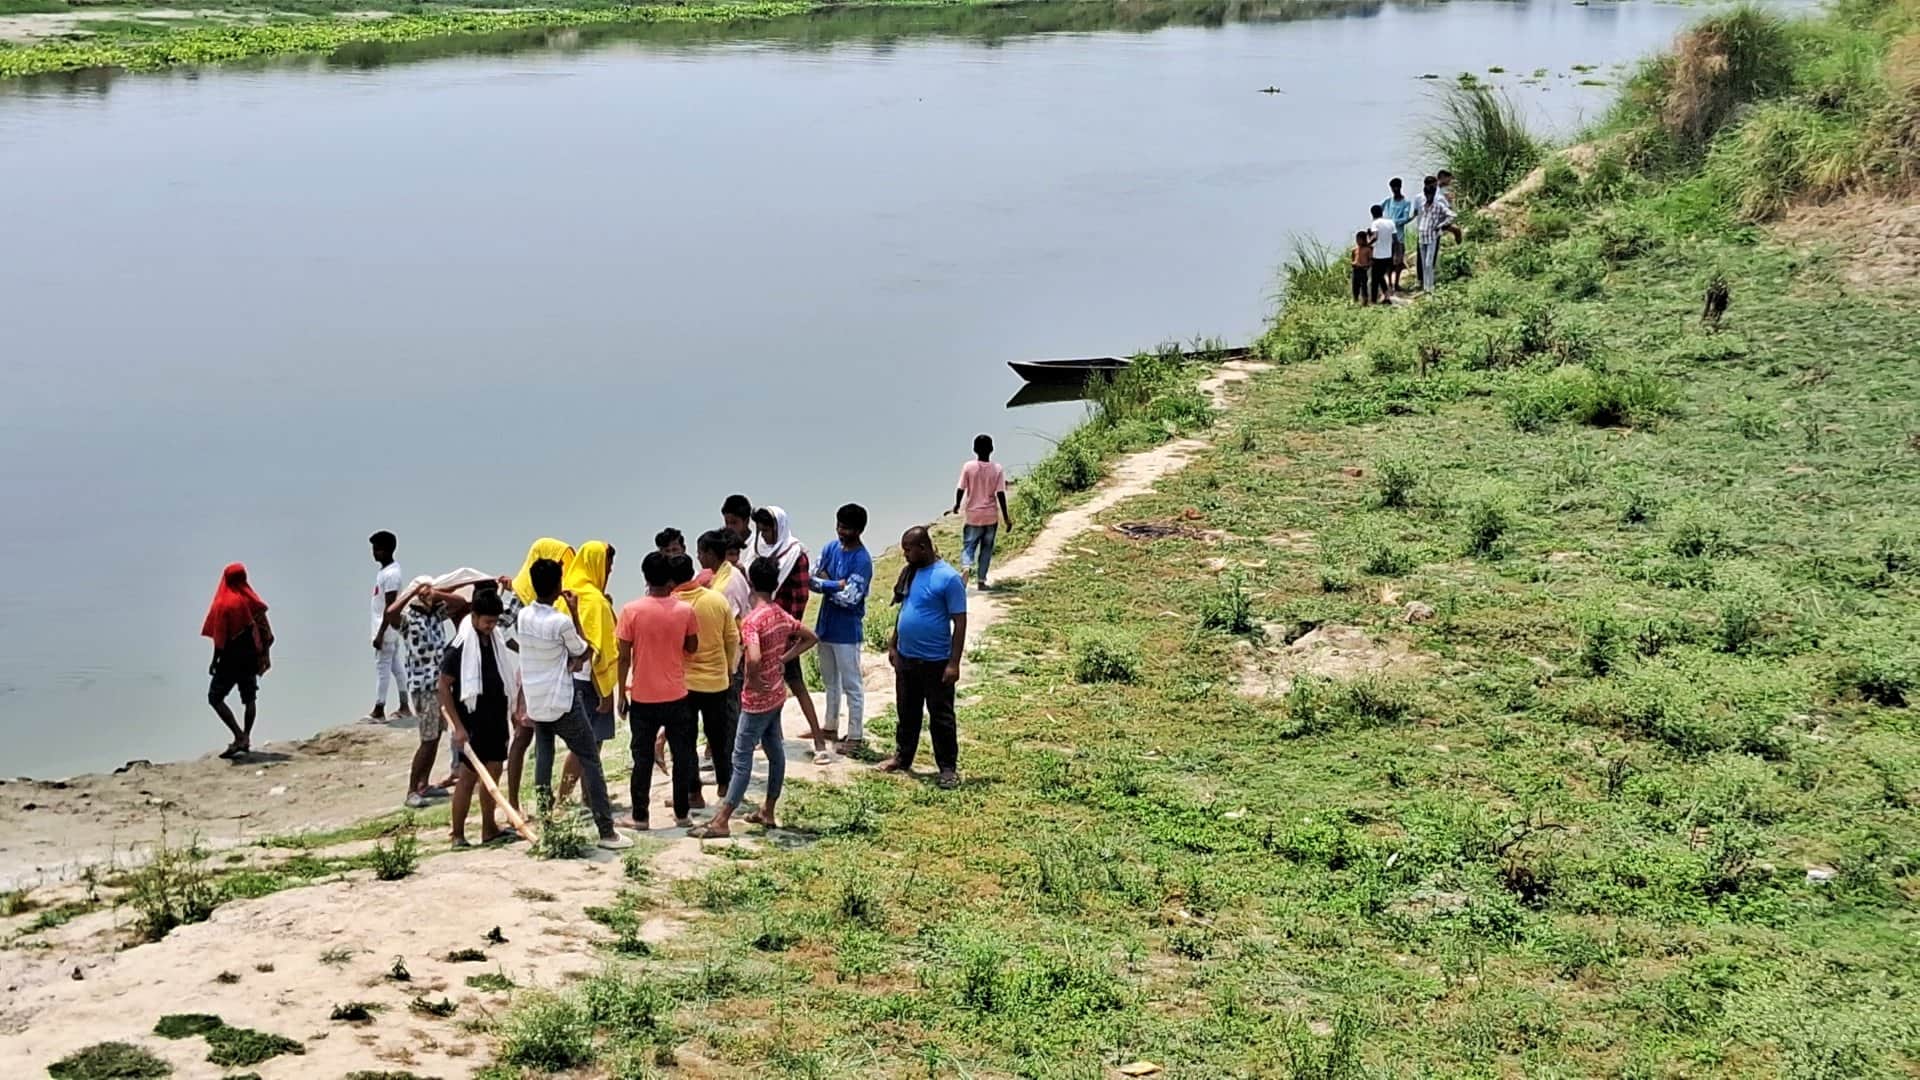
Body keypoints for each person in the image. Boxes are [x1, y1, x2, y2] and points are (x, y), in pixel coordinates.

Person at [690, 556, 818, 839]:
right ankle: (768, 809)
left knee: (742, 756)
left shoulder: (751, 621)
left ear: (750, 583)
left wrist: (752, 679)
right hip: (776, 693)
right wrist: (783, 659)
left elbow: (755, 656)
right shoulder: (779, 614)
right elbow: (810, 637)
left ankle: (722, 819)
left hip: (758, 698)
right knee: (775, 751)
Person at [515, 558, 631, 850]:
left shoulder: (523, 616)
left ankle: (545, 819)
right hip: (563, 701)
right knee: (590, 758)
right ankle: (606, 831)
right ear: (557, 585)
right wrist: (577, 613)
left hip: (537, 700)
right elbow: (583, 649)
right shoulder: (560, 621)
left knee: (544, 756)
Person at [877, 527, 968, 788]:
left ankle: (947, 768)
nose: (904, 554)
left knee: (940, 716)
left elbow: (959, 623)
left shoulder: (948, 578)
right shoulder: (911, 573)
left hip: (936, 661)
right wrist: (894, 645)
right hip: (907, 657)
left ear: (923, 548)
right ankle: (903, 757)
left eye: (908, 549)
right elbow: (905, 609)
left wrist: (954, 663)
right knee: (907, 711)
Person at [617, 551, 702, 830]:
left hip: (642, 695)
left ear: (645, 577)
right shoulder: (685, 610)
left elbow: (624, 657)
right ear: (670, 580)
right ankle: (682, 813)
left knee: (641, 758)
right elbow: (692, 647)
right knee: (683, 755)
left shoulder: (631, 611)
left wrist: (621, 694)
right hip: (677, 693)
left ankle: (640, 815)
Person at [439, 589, 523, 848]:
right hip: (472, 719)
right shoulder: (460, 646)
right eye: (487, 621)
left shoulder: (494, 640)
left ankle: (489, 828)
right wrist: (458, 727)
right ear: (474, 616)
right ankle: (458, 834)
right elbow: (443, 686)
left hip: (496, 715)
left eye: (495, 622)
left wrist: (511, 712)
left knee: (495, 770)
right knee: (468, 775)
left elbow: (503, 677)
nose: (491, 626)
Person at [747, 506, 829, 762]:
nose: (764, 534)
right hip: (761, 627)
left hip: (784, 629)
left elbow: (800, 597)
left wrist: (788, 635)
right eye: (760, 529)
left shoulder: (795, 555)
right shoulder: (757, 551)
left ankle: (819, 741)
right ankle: (774, 738)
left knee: (795, 683)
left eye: (768, 529)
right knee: (769, 688)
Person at [507, 538, 575, 813]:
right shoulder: (518, 597)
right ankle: (513, 800)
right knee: (524, 738)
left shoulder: (549, 597)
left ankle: (546, 805)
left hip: (543, 675)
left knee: (544, 741)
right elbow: (503, 633)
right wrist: (530, 649)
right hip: (535, 676)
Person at [671, 552, 740, 810]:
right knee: (719, 737)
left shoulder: (673, 605)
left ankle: (694, 794)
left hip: (684, 685)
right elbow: (732, 638)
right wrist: (729, 668)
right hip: (716, 682)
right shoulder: (716, 600)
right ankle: (725, 785)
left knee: (686, 741)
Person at [388, 576, 461, 807]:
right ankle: (412, 790)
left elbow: (459, 602)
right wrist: (412, 594)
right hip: (423, 686)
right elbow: (390, 614)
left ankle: (423, 784)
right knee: (427, 739)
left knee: (435, 736)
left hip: (439, 684)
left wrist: (438, 594)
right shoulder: (410, 619)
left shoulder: (437, 614)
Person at [557, 541, 619, 808]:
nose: (610, 570)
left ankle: (585, 796)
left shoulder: (566, 594)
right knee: (587, 745)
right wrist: (605, 692)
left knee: (588, 744)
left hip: (570, 679)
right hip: (590, 681)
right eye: (608, 564)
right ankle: (563, 799)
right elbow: (596, 648)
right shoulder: (593, 600)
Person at [810, 503, 873, 755]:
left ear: (858, 530)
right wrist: (835, 584)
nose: (840, 531)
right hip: (826, 627)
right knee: (829, 681)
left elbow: (851, 598)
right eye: (838, 525)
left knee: (852, 684)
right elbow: (811, 578)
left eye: (846, 527)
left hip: (847, 632)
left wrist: (826, 584)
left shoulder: (862, 560)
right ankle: (830, 727)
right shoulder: (830, 548)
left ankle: (855, 735)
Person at [202, 562, 272, 759]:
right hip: (250, 658)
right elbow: (265, 630)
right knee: (249, 699)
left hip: (230, 659)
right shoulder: (253, 602)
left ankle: (238, 735)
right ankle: (247, 737)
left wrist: (214, 661)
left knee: (215, 698)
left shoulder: (224, 603)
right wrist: (263, 654)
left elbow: (220, 639)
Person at [950, 434, 1012, 590]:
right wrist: (1006, 517)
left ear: (974, 449)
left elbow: (961, 488)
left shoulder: (968, 467)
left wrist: (957, 505)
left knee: (968, 546)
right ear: (992, 449)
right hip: (990, 516)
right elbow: (1000, 494)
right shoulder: (997, 469)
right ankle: (981, 581)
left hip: (973, 515)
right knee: (986, 548)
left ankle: (966, 567)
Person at [368, 530, 409, 722]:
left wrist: (380, 633)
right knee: (395, 665)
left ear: (385, 550)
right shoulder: (385, 572)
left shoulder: (391, 574)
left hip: (385, 628)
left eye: (376, 549)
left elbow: (390, 607)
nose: (374, 553)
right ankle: (404, 705)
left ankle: (379, 708)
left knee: (382, 667)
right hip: (386, 627)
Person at [1411, 175, 1457, 294]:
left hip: (1433, 234)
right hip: (1422, 233)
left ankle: (1429, 286)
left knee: (1429, 261)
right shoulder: (1419, 199)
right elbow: (1416, 213)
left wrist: (1441, 225)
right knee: (1421, 260)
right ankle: (1422, 281)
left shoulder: (1439, 200)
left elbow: (1449, 213)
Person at [703, 529, 752, 621]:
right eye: (730, 554)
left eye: (737, 554)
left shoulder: (733, 577)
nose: (735, 559)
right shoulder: (707, 579)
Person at [1384, 177, 1414, 293]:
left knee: (1398, 262)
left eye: (1396, 187)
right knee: (1389, 263)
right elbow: (1378, 211)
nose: (1395, 189)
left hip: (1399, 237)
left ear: (1400, 187)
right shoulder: (1388, 201)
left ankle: (1396, 284)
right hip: (1388, 237)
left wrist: (1392, 222)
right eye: (1393, 188)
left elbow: (1405, 218)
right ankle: (1390, 285)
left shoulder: (1406, 203)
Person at [1368, 203, 1397, 304]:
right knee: (1380, 276)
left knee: (1375, 279)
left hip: (1378, 255)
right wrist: (1394, 253)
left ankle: (1373, 301)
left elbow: (1375, 236)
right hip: (1388, 254)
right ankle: (1387, 296)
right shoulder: (1390, 222)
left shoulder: (1375, 223)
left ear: (1372, 214)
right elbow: (1395, 239)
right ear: (1382, 212)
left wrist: (1367, 244)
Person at [1351, 230, 1373, 305]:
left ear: (1364, 240)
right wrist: (1353, 263)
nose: (1357, 241)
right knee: (1355, 286)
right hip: (1355, 269)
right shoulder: (1354, 250)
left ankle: (1365, 301)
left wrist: (1366, 266)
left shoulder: (1368, 249)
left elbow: (1371, 261)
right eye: (1356, 239)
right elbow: (1353, 259)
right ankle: (1355, 300)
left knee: (1364, 286)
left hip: (1363, 270)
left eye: (1359, 240)